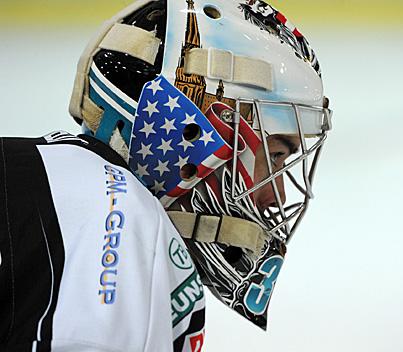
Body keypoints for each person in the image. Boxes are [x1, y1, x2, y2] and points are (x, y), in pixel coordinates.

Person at [0, 0, 332, 351]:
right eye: (276, 154)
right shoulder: (128, 229)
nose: (276, 192)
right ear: (186, 134)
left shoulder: (51, 175)